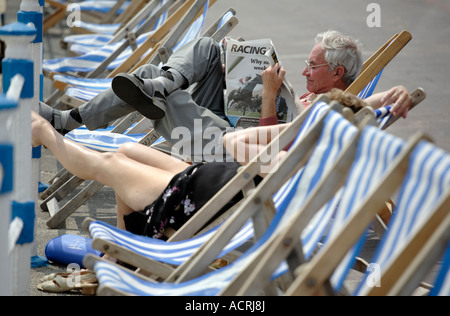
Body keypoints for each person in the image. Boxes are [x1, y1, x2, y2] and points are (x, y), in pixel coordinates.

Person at [32, 88, 365, 239]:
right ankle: (124, 253)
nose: (302, 114)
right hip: (201, 182)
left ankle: (45, 132)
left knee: (108, 164)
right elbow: (231, 143)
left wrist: (301, 127)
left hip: (192, 203)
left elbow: (233, 144)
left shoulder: (292, 164)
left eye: (310, 116)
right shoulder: (305, 158)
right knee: (129, 152)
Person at [39, 31, 412, 161]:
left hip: (236, 149)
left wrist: (269, 92)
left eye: (311, 67)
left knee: (163, 98)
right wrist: (236, 65)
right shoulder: (327, 99)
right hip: (228, 123)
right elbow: (369, 101)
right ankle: (162, 83)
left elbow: (270, 151)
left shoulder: (334, 109)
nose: (303, 71)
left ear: (337, 73)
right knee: (208, 49)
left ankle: (68, 122)